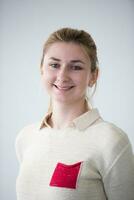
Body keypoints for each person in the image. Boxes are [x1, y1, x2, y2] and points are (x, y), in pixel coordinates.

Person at [15, 27, 134, 200]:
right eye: (54, 65)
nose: (62, 76)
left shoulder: (112, 141)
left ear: (93, 76)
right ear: (42, 70)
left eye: (76, 67)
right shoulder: (26, 137)